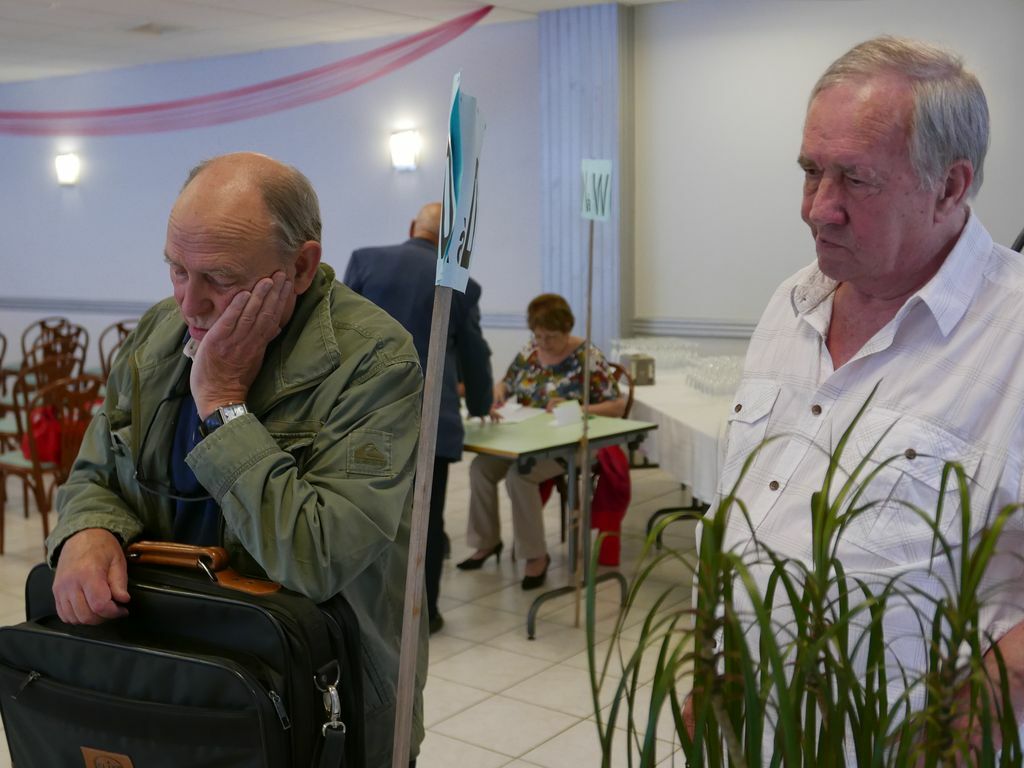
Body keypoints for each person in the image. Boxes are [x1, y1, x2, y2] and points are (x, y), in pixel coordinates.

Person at [691, 36, 1024, 757]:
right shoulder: (792, 302)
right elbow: (746, 513)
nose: (818, 209)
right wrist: (709, 672)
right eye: (811, 171)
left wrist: (960, 732)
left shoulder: (1014, 334)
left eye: (855, 179)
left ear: (950, 186)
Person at [44, 152, 427, 767]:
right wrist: (87, 528)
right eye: (177, 270)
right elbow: (97, 471)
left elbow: (318, 558)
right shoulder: (159, 333)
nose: (189, 303)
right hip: (170, 678)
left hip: (312, 699)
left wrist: (223, 403)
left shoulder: (374, 361)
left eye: (220, 279)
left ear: (300, 267)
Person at [344, 202, 493, 635]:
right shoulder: (460, 283)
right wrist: (481, 405)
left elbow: (338, 333)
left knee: (363, 513)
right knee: (425, 521)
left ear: (413, 226)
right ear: (451, 243)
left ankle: (364, 613)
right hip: (432, 421)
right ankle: (423, 615)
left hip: (365, 416)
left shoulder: (365, 261)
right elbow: (474, 353)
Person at [458, 293, 625, 590]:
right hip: (526, 438)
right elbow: (506, 383)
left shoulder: (588, 357)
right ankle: (486, 542)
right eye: (538, 336)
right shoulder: (530, 352)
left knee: (519, 476)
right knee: (480, 468)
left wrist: (578, 408)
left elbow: (617, 406)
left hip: (574, 443)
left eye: (551, 337)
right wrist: (497, 392)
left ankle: (535, 556)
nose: (544, 343)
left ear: (567, 329)